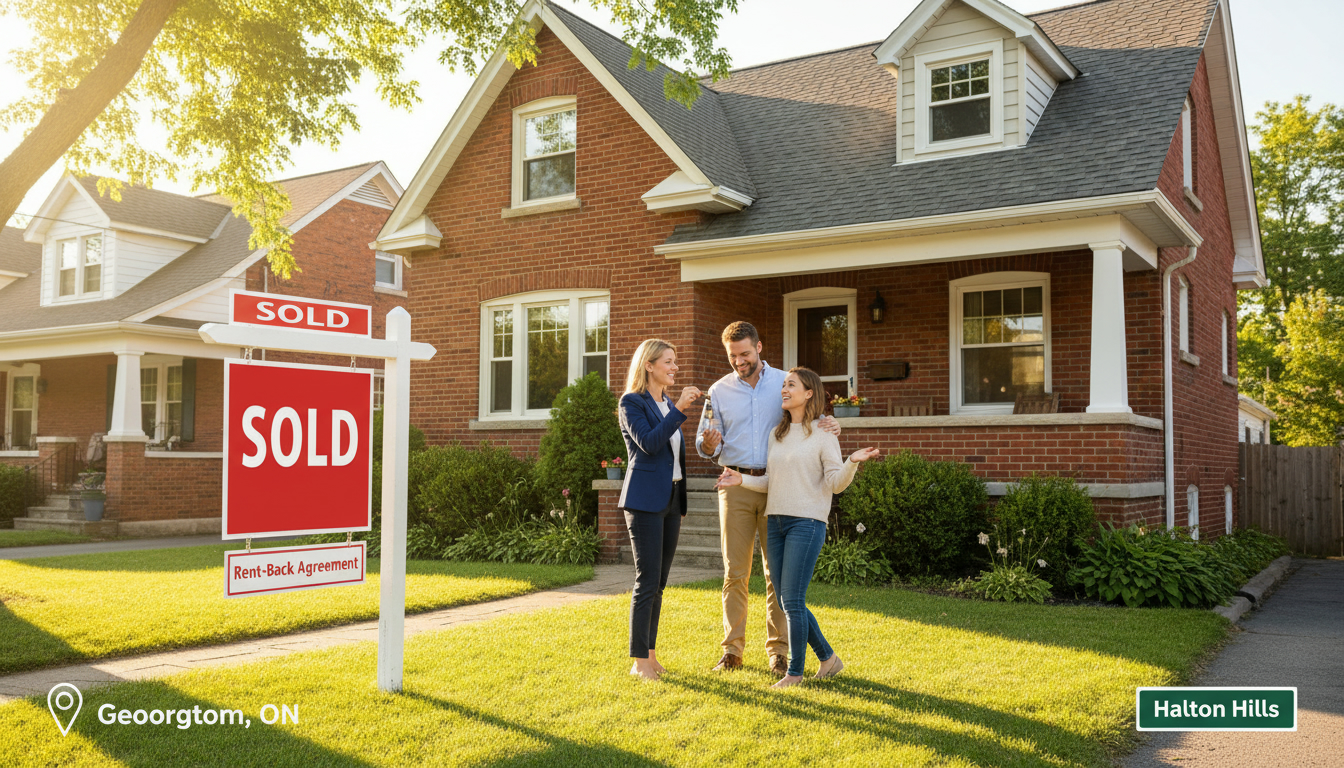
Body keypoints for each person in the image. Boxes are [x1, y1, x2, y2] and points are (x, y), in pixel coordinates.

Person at [716, 367, 879, 689]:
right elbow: (772, 482)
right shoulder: (776, 435)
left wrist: (852, 461)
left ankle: (794, 673)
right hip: (775, 522)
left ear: (809, 393)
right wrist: (742, 479)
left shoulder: (824, 433)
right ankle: (829, 660)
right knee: (792, 600)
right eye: (783, 385)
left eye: (791, 385)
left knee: (790, 599)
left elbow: (835, 484)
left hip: (806, 523)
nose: (784, 390)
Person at [696, 321, 840, 676]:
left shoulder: (783, 382)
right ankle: (732, 650)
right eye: (733, 356)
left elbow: (811, 416)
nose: (739, 361)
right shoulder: (719, 391)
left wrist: (832, 424)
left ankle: (778, 650)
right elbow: (704, 440)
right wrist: (708, 446)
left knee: (775, 575)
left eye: (745, 353)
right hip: (737, 483)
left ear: (759, 348)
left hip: (780, 488)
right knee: (735, 573)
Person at [618, 338, 702, 681]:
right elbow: (650, 444)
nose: (675, 367)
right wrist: (680, 408)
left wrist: (679, 500)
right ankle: (638, 662)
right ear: (649, 365)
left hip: (670, 501)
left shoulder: (667, 403)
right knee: (647, 580)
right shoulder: (631, 402)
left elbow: (675, 456)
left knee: (661, 582)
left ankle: (651, 655)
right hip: (644, 501)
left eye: (675, 361)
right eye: (668, 361)